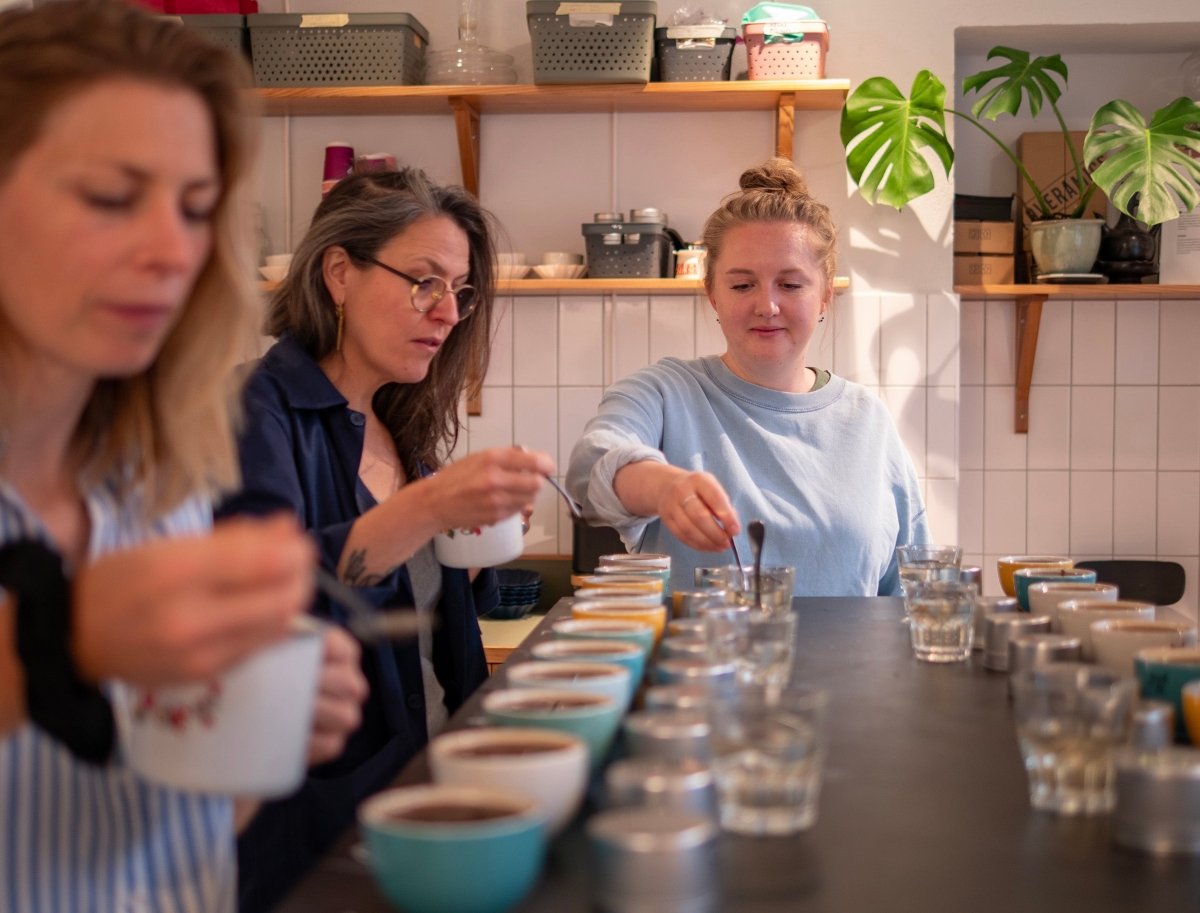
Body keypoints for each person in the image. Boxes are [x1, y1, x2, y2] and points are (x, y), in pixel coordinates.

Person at [0, 2, 368, 911]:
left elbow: (175, 834)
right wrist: (51, 644)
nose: (173, 250)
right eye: (111, 198)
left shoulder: (155, 485)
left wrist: (261, 726)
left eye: (195, 209)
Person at [223, 167, 555, 910]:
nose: (446, 312)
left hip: (432, 784)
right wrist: (431, 506)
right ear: (339, 273)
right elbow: (268, 593)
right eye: (424, 281)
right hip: (324, 822)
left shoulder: (399, 423)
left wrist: (472, 538)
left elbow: (420, 605)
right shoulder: (259, 407)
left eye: (459, 292)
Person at [567, 158, 930, 596]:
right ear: (713, 296)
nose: (767, 306)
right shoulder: (665, 392)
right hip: (703, 664)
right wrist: (665, 487)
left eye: (791, 285)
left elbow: (910, 589)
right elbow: (590, 473)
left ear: (824, 297)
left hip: (849, 665)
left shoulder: (868, 419)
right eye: (742, 285)